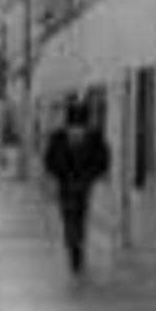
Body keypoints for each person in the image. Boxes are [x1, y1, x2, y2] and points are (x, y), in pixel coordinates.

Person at [42, 99, 111, 277]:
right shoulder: (94, 136)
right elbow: (104, 160)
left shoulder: (58, 136)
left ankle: (74, 244)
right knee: (79, 214)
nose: (77, 131)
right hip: (82, 183)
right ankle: (76, 244)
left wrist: (57, 174)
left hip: (68, 183)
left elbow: (48, 160)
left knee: (69, 215)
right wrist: (93, 175)